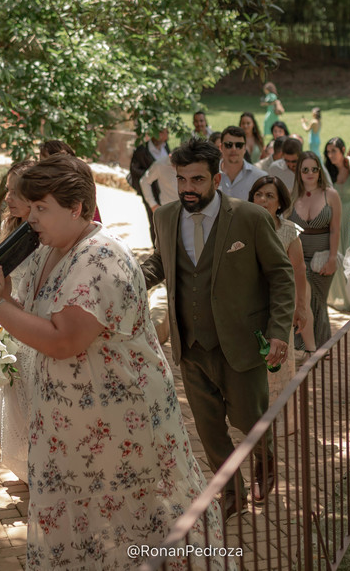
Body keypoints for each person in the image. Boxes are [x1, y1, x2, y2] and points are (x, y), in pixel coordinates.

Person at [0, 155, 221, 567]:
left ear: (76, 208)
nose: (31, 217)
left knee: (141, 528)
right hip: (75, 434)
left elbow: (65, 341)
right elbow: (40, 322)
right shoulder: (51, 249)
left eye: (41, 207)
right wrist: (6, 298)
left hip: (119, 431)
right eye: (31, 206)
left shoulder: (100, 258)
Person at [141, 139, 294, 520]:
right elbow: (161, 261)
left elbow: (280, 275)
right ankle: (232, 494)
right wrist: (127, 278)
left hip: (241, 343)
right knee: (209, 431)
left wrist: (278, 329)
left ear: (217, 178)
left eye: (197, 179)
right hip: (190, 345)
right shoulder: (165, 217)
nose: (188, 188)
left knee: (249, 420)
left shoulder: (249, 218)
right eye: (181, 179)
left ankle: (264, 458)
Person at [0, 159, 37, 482]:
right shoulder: (10, 227)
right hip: (11, 323)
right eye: (7, 190)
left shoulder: (45, 236)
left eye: (15, 192)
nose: (7, 198)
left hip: (33, 326)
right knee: (16, 401)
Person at [250, 175, 315, 367]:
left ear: (280, 203)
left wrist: (300, 307)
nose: (263, 200)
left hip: (279, 306)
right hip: (248, 307)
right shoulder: (241, 227)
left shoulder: (289, 231)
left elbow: (299, 270)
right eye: (258, 194)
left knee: (277, 362)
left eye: (270, 196)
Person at [289, 151, 342, 350]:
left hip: (322, 259)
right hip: (298, 260)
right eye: (305, 170)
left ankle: (318, 346)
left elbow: (335, 229)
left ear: (320, 171)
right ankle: (306, 346)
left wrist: (332, 258)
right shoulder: (293, 195)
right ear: (299, 172)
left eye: (314, 169)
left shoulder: (331, 195)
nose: (310, 173)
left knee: (317, 300)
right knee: (302, 300)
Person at [324, 137, 350, 308]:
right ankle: (340, 297)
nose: (330, 155)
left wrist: (349, 159)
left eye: (334, 151)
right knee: (339, 256)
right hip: (335, 219)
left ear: (343, 150)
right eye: (328, 152)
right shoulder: (327, 172)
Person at [218, 125, 266, 201]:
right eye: (228, 145)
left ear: (244, 148)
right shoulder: (209, 175)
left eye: (239, 145)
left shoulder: (259, 178)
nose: (234, 149)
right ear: (221, 147)